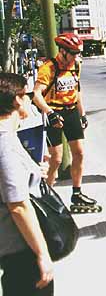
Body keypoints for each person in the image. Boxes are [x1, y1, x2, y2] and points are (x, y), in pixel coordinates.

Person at [32, 34, 101, 214]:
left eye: (78, 53)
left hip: (70, 112)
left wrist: (82, 114)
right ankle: (46, 196)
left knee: (79, 153)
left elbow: (77, 90)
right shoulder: (48, 68)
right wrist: (50, 113)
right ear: (62, 51)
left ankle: (76, 194)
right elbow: (36, 94)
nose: (76, 57)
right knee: (56, 159)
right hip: (53, 111)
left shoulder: (76, 66)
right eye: (73, 53)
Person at [0, 73, 54, 295]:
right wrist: (42, 253)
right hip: (21, 249)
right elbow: (18, 205)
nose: (32, 100)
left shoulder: (9, 136)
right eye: (29, 95)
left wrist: (35, 171)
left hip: (20, 246)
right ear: (17, 99)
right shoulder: (4, 142)